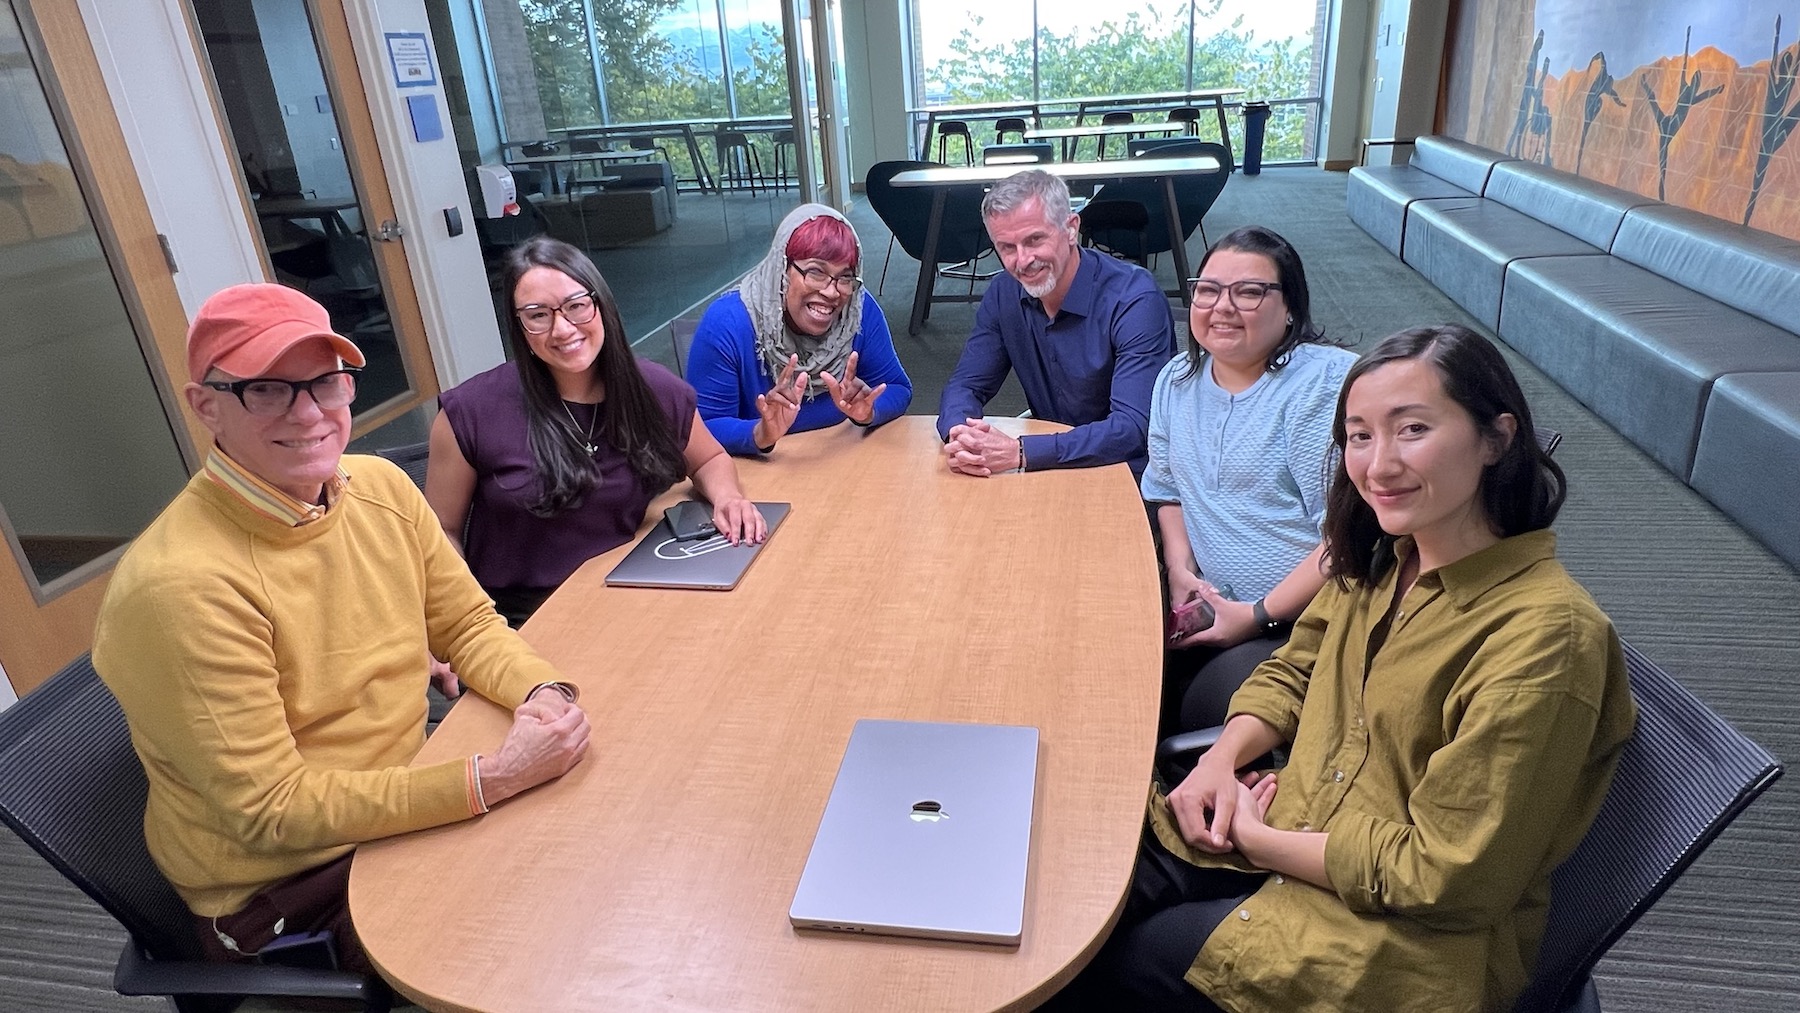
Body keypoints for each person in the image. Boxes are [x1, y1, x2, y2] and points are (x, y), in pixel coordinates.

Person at [1068, 325, 1638, 1012]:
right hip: (1292, 827)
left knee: (1101, 964)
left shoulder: (1546, 638)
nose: (1379, 465)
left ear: (1497, 437)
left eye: (1412, 429)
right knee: (1077, 892)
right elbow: (1293, 669)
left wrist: (1261, 839)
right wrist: (1222, 759)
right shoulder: (1383, 556)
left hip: (1390, 942)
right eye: (1360, 436)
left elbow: (1445, 875)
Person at [91, 283, 592, 976]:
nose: (309, 413)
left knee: (597, 857)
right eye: (267, 389)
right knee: (535, 957)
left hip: (400, 794)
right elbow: (274, 811)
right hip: (288, 887)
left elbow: (469, 624)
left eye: (325, 382)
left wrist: (541, 690)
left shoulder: (379, 487)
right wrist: (491, 778)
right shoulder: (180, 587)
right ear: (205, 405)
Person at [427, 237, 766, 627]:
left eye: (576, 306)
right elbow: (441, 532)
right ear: (519, 326)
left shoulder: (651, 389)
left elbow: (708, 458)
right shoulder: (470, 412)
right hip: (521, 618)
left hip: (632, 587)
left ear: (600, 304)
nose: (563, 328)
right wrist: (464, 622)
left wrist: (728, 497)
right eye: (538, 315)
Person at [1140, 226, 1355, 734]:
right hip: (1214, 603)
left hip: (1308, 616)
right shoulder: (1176, 379)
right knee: (1109, 668)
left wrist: (1257, 615)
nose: (1222, 306)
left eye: (1250, 291)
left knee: (1190, 712)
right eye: (1209, 290)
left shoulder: (1321, 388)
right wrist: (1179, 571)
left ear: (1291, 310)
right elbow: (1168, 489)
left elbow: (1346, 535)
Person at [936, 169, 1175, 477]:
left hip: (1125, 472)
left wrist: (1022, 451)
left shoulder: (1134, 298)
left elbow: (1131, 429)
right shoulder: (1004, 293)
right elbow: (966, 384)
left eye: (1034, 240)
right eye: (1007, 247)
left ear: (1071, 228)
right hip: (1045, 466)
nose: (1022, 261)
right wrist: (961, 434)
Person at [687, 203, 913, 454]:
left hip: (840, 461)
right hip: (761, 475)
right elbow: (704, 428)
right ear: (782, 270)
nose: (832, 291)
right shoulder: (728, 323)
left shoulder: (858, 309)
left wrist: (870, 411)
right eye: (816, 272)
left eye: (845, 277)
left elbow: (897, 388)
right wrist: (759, 433)